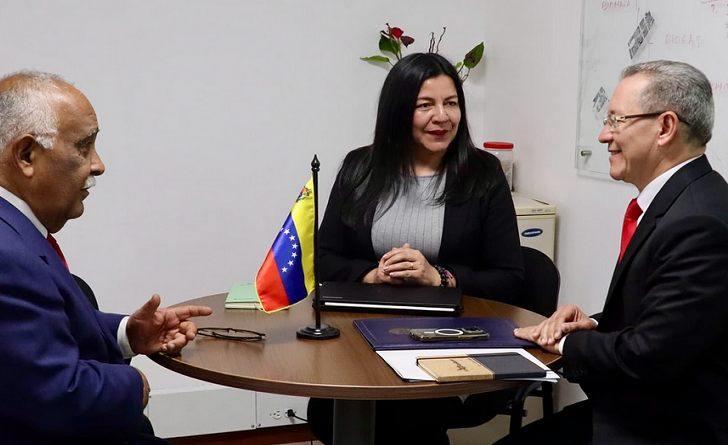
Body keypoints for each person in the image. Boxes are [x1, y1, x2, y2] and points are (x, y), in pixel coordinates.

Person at [0, 71, 213, 445]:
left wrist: (127, 333)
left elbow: (23, 333)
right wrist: (133, 384)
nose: (98, 164)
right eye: (84, 147)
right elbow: (56, 398)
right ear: (26, 155)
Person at [498, 60, 728, 445]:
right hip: (639, 409)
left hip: (667, 428)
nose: (604, 135)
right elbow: (665, 320)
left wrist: (563, 343)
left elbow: (650, 356)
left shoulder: (699, 222)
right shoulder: (681, 201)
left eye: (617, 120)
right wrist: (590, 325)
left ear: (665, 127)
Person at [307, 52, 524, 445]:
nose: (442, 117)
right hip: (361, 333)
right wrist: (370, 274)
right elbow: (322, 258)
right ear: (398, 111)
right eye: (425, 105)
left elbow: (510, 278)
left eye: (451, 103)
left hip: (449, 337)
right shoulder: (359, 168)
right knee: (327, 413)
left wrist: (438, 277)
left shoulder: (483, 173)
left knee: (408, 418)